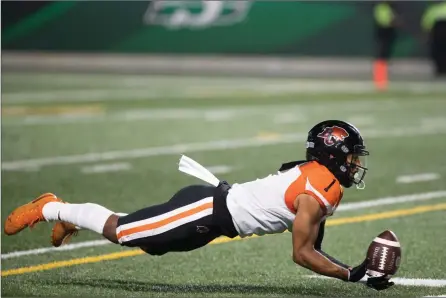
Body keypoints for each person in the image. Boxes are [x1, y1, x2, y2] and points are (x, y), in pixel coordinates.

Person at [4, 120, 393, 291]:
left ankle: (71, 218)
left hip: (215, 219)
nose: (357, 164)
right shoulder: (318, 187)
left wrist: (352, 272)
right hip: (207, 208)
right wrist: (353, 274)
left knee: (151, 245)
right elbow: (302, 253)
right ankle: (52, 207)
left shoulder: (321, 184)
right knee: (123, 231)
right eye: (353, 156)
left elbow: (311, 247)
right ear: (333, 155)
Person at [372, 1, 402, 90]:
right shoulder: (381, 8)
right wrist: (394, 21)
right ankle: (380, 79)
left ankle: (383, 78)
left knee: (385, 54)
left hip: (388, 32)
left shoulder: (390, 8)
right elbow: (384, 21)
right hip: (384, 32)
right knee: (382, 55)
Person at [421, 1, 446, 77]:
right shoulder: (432, 9)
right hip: (438, 34)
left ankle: (440, 69)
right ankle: (441, 69)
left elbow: (426, 24)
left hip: (437, 34)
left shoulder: (432, 9)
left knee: (437, 51)